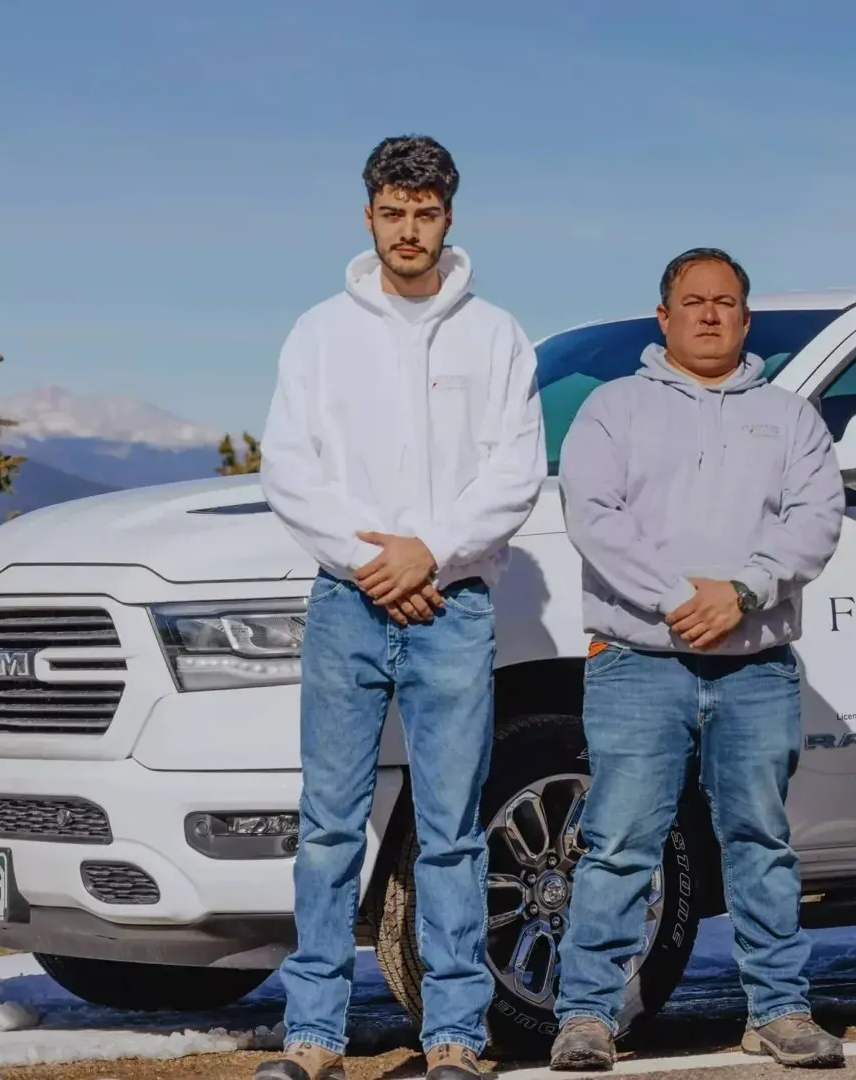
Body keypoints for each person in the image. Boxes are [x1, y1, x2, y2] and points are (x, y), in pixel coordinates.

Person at [255, 136, 547, 1080]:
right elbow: (288, 468)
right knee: (328, 826)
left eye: (425, 212)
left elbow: (515, 471)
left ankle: (455, 1033)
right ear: (369, 215)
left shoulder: (494, 335)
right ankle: (313, 1036)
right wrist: (368, 560)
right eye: (393, 212)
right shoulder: (318, 333)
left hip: (453, 607)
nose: (408, 229)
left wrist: (432, 552)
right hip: (347, 603)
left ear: (448, 216)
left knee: (452, 831)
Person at [549, 248, 847, 1070]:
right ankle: (586, 1016)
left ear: (745, 319)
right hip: (638, 660)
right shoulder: (614, 408)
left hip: (756, 665)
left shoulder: (789, 417)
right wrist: (684, 598)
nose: (709, 314)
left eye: (724, 302)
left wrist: (744, 592)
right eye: (693, 301)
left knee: (761, 841)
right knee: (618, 842)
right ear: (665, 316)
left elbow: (816, 519)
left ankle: (779, 1010)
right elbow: (594, 516)